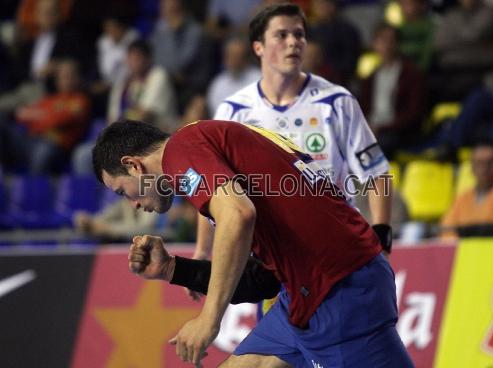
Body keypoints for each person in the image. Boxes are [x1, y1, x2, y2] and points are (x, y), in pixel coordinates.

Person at [92, 119, 414, 367]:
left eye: (123, 192)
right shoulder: (209, 143)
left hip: (339, 289)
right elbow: (262, 280)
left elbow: (237, 214)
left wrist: (209, 319)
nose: (133, 204)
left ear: (134, 165)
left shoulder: (181, 149)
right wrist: (173, 269)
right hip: (306, 291)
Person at [192, 3, 394, 287]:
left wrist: (382, 231)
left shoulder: (336, 101)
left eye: (299, 35)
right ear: (258, 47)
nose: (293, 43)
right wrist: (203, 250)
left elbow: (376, 173)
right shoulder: (234, 111)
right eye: (282, 35)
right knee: (280, 328)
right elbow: (213, 190)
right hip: (275, 260)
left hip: (338, 247)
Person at [0, 58, 90, 173]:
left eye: (68, 76)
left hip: (56, 146)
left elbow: (58, 120)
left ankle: (34, 188)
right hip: (32, 140)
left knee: (42, 153)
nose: (64, 80)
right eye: (61, 77)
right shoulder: (52, 99)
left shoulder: (80, 101)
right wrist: (43, 116)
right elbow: (20, 115)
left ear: (78, 78)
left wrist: (38, 116)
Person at [359, 23, 426, 158]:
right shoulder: (370, 78)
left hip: (399, 132)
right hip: (373, 130)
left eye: (391, 40)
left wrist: (382, 128)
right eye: (382, 40)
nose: (387, 45)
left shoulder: (411, 74)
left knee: (377, 145)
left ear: (398, 44)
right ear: (374, 44)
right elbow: (363, 111)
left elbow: (414, 113)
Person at [440, 139, 493, 238]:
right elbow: (447, 229)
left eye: (491, 162)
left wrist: (465, 230)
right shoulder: (463, 197)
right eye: (479, 163)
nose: (485, 168)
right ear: (472, 167)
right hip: (466, 250)